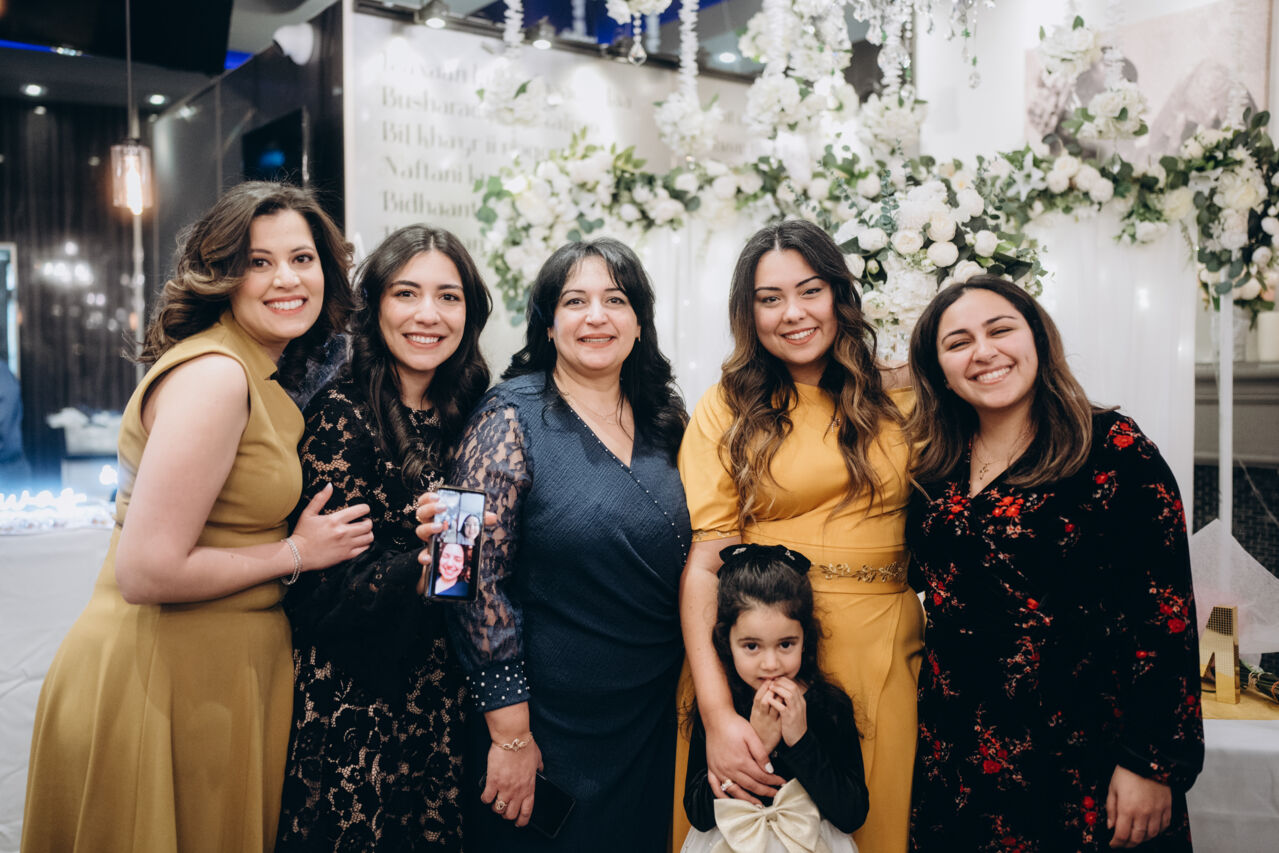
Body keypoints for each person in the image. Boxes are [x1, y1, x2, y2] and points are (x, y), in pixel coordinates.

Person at [22, 181, 373, 853]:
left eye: (302, 258)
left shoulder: (255, 368)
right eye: (259, 261)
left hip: (215, 673)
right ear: (222, 275)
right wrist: (298, 553)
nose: (287, 279)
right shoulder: (217, 376)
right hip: (162, 676)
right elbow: (147, 570)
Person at [904, 275, 1204, 851]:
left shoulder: (1113, 449)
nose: (983, 352)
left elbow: (1164, 617)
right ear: (938, 369)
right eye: (958, 342)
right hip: (956, 758)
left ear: (1038, 340)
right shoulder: (936, 465)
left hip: (1082, 760)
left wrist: (1152, 763)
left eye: (1000, 330)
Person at [676, 219, 922, 853]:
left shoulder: (901, 398)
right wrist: (718, 713)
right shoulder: (727, 407)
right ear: (748, 312)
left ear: (839, 295)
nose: (793, 313)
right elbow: (706, 564)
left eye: (810, 290)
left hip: (881, 646)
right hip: (762, 649)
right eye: (770, 298)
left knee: (873, 823)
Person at [444, 238, 690, 851]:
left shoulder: (666, 418)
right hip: (540, 728)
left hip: (650, 717)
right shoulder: (501, 415)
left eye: (616, 300)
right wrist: (509, 733)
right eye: (575, 301)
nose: (596, 316)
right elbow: (457, 574)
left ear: (640, 321)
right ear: (549, 324)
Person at [275, 224, 492, 851]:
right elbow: (320, 595)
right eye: (407, 293)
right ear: (374, 307)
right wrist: (422, 569)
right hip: (360, 706)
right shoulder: (341, 414)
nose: (429, 315)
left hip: (444, 698)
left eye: (448, 297)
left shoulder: (473, 410)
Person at [682, 543, 868, 853]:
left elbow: (852, 814)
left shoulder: (829, 706)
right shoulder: (722, 712)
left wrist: (801, 742)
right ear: (726, 642)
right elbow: (698, 814)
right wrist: (757, 745)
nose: (770, 664)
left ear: (805, 639)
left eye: (785, 644)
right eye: (751, 646)